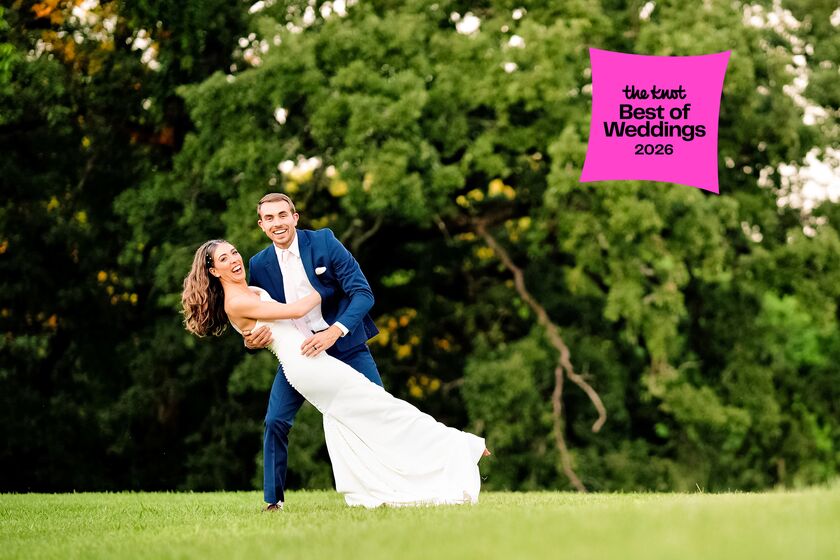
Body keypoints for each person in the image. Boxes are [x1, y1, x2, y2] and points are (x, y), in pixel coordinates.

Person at [182, 239, 489, 508]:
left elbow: (262, 327)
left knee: (355, 419)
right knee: (382, 408)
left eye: (234, 253)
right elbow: (294, 311)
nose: (234, 259)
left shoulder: (254, 287)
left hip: (317, 356)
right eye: (224, 258)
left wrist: (251, 336)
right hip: (307, 363)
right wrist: (328, 287)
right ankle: (461, 446)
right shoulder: (238, 299)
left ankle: (382, 484)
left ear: (294, 217)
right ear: (214, 271)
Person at [240, 193, 385, 510]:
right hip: (299, 355)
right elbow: (258, 316)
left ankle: (394, 485)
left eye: (283, 215)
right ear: (261, 225)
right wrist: (251, 341)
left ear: (295, 217)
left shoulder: (324, 242)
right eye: (269, 218)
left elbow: (363, 293)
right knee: (275, 420)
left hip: (344, 344)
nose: (277, 223)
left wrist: (334, 332)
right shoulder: (259, 265)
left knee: (381, 411)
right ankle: (273, 502)